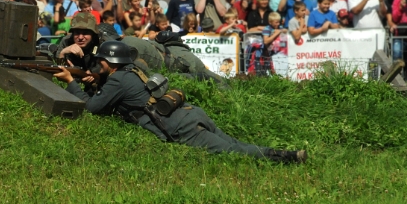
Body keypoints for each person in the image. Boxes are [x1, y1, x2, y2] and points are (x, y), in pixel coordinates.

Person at [53, 41, 307, 163]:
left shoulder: (117, 80)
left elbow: (91, 108)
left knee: (234, 152)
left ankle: (288, 157)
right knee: (236, 144)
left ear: (108, 63)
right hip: (190, 113)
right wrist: (93, 83)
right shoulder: (131, 72)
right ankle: (283, 154)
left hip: (180, 126)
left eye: (101, 62)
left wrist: (70, 81)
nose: (98, 65)